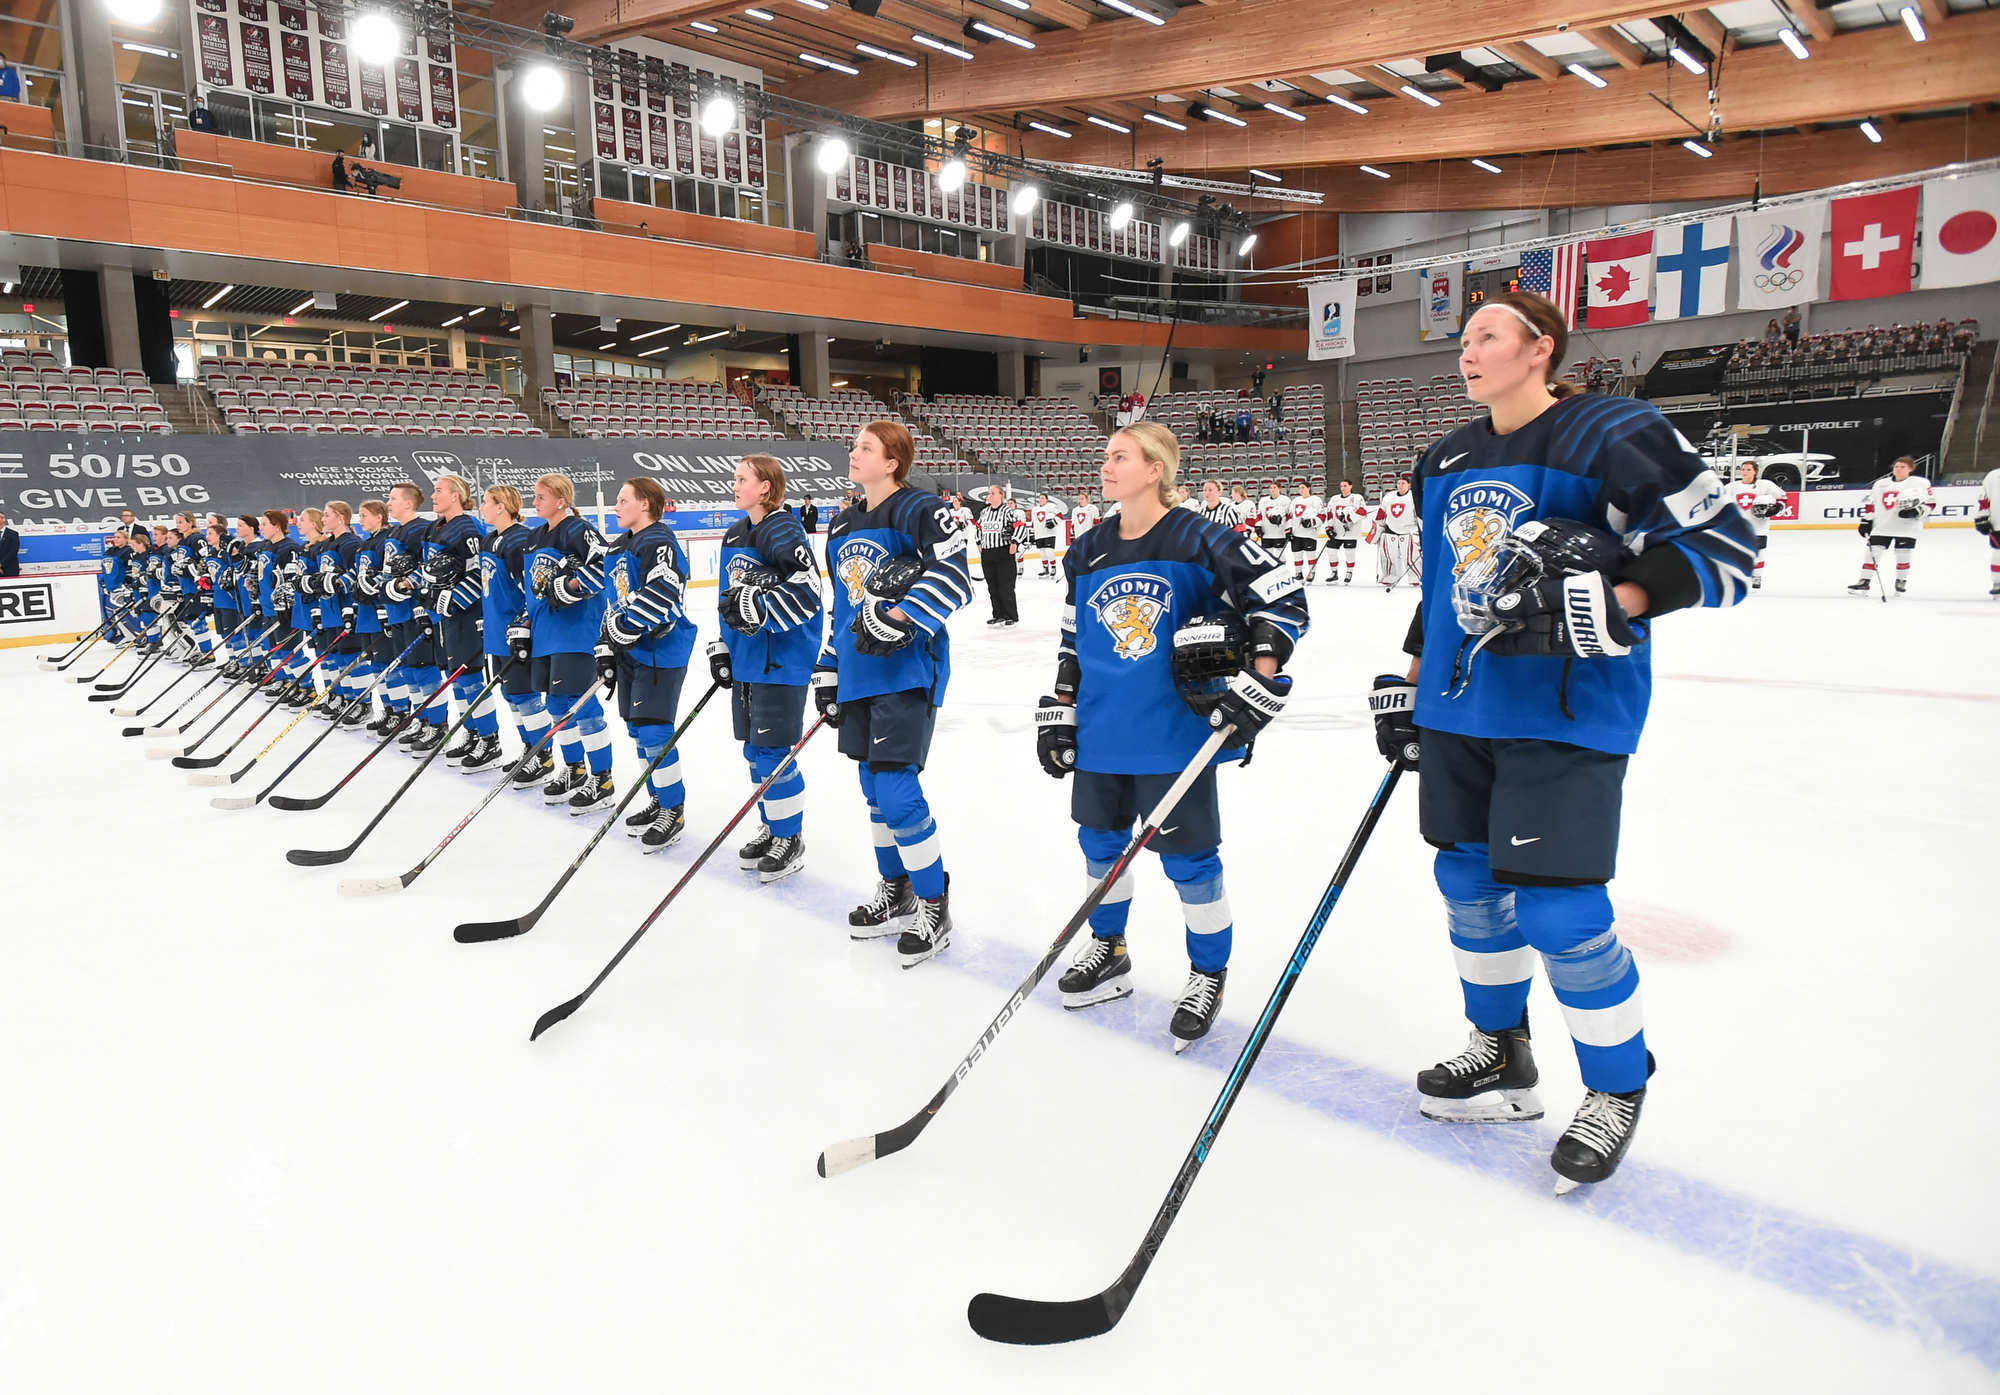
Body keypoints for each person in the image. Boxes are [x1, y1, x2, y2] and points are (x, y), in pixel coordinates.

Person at [1368, 289, 1755, 1193]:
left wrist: (1621, 600)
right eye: (1462, 339)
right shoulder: (1446, 456)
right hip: (1462, 711)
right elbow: (1444, 585)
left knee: (1559, 911)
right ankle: (1502, 1052)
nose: (1467, 352)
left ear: (1541, 348)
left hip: (1567, 712)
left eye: (1487, 336)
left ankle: (1619, 1084)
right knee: (1466, 882)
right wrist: (1411, 685)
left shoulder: (1613, 432)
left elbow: (1730, 547)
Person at [1039, 421, 1308, 1050]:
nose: (1105, 467)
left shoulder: (1203, 537)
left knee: (1190, 863)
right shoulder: (1089, 547)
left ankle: (1207, 974)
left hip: (1175, 732)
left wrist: (1259, 675)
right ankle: (1109, 950)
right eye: (1105, 456)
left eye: (1119, 457)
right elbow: (1073, 636)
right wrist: (1063, 704)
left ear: (1155, 468)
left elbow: (1283, 598)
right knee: (1099, 846)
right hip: (1104, 729)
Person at [815, 420, 972, 966]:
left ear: (893, 461)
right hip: (858, 673)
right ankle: (897, 890)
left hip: (906, 670)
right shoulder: (840, 524)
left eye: (865, 447)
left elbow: (955, 576)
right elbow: (841, 602)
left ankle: (934, 903)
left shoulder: (922, 509)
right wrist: (829, 669)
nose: (853, 453)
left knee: (897, 791)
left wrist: (900, 613)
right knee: (874, 792)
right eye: (853, 445)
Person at [712, 456, 823, 878]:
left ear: (765, 487)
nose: (734, 484)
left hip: (780, 659)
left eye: (742, 478)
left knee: (773, 752)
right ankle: (772, 823)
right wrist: (723, 644)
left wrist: (760, 604)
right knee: (753, 751)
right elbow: (728, 597)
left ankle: (789, 836)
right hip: (747, 659)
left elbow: (808, 590)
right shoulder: (734, 533)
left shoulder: (782, 527)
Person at [598, 475, 698, 842]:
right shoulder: (616, 548)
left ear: (645, 504)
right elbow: (611, 603)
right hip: (630, 650)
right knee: (638, 729)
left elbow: (664, 590)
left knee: (655, 729)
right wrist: (607, 646)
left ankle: (673, 808)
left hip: (661, 649)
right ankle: (658, 798)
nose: (616, 506)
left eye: (624, 500)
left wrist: (631, 625)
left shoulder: (658, 541)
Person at [522, 473, 613, 808]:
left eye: (541, 496)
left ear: (561, 499)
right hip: (545, 634)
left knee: (582, 705)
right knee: (557, 706)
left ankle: (602, 778)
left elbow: (606, 566)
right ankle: (575, 769)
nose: (535, 501)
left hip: (575, 633)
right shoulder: (533, 538)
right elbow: (533, 587)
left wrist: (572, 586)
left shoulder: (579, 529)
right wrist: (525, 620)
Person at [416, 475, 501, 766]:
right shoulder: (433, 528)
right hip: (445, 617)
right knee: (456, 678)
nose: (432, 495)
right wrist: (422, 598)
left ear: (456, 495)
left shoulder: (468, 528)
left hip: (467, 616)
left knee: (471, 677)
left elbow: (480, 573)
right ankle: (472, 730)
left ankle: (490, 740)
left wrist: (451, 601)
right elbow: (427, 570)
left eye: (438, 491)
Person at [482, 485, 551, 759]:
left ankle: (542, 755)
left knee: (525, 696)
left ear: (501, 506)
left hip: (517, 633)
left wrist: (524, 624)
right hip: (497, 632)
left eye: (487, 502)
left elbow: (532, 591)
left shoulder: (520, 540)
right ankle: (529, 750)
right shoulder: (489, 540)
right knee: (511, 695)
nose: (483, 507)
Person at [378, 482, 438, 748]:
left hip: (414, 611)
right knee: (408, 671)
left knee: (424, 669)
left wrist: (410, 592)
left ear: (409, 503)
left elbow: (427, 569)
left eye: (393, 498)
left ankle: (437, 725)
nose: (389, 503)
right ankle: (421, 719)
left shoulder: (420, 529)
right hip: (396, 612)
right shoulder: (395, 531)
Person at [1848, 455, 1933, 596]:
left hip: (1907, 527)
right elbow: (1871, 503)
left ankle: (1901, 581)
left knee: (1903, 554)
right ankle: (1864, 581)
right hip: (1882, 525)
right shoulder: (1881, 484)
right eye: (1896, 466)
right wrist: (1866, 520)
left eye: (1903, 467)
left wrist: (1918, 511)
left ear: (1910, 469)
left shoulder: (1920, 483)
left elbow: (1931, 502)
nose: (1898, 469)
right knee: (1872, 553)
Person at [1726, 463, 1786, 590]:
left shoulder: (1766, 485)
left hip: (1759, 526)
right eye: (1743, 469)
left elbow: (1782, 498)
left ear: (1755, 471)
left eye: (1748, 469)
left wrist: (1777, 508)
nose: (1744, 472)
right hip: (1739, 526)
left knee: (1758, 553)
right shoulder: (1732, 487)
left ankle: (1757, 577)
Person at [974, 484, 1018, 627]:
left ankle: (1010, 615)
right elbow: (978, 528)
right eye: (989, 493)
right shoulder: (985, 512)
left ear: (1001, 495)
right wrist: (978, 542)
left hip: (1003, 552)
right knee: (992, 586)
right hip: (987, 553)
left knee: (1006, 586)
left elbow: (1019, 526)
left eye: (993, 493)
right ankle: (998, 614)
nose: (989, 495)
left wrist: (1015, 542)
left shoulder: (1007, 511)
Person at [1372, 473, 1421, 590]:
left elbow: (1419, 514)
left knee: (1411, 557)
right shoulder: (1389, 497)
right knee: (1388, 556)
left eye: (1403, 483)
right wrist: (1377, 531)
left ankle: (1416, 577)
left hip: (1408, 532)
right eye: (1398, 483)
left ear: (1409, 485)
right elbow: (1381, 513)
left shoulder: (1414, 497)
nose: (1400, 485)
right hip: (1390, 531)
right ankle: (1389, 576)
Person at [1324, 479, 1366, 585]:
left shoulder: (1357, 498)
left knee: (1349, 553)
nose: (1343, 488)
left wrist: (1350, 518)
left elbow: (1363, 512)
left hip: (1351, 532)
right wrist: (1329, 527)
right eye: (1341, 486)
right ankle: (1334, 572)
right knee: (1331, 551)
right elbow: (1329, 513)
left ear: (1351, 486)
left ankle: (1349, 572)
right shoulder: (1334, 499)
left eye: (1345, 486)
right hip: (1337, 532)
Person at [1287, 480, 1324, 584]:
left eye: (1303, 487)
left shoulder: (1316, 500)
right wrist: (1288, 530)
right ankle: (1298, 573)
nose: (1301, 490)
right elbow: (1290, 516)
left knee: (1310, 555)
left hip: (1310, 534)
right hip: (1296, 533)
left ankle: (1312, 572)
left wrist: (1312, 522)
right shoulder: (1295, 501)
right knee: (1297, 555)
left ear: (1309, 488)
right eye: (1300, 488)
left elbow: (1322, 515)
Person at [1977, 466, 2000, 597]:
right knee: (1998, 554)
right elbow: (1984, 499)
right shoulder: (1993, 476)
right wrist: (1981, 517)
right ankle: (1998, 584)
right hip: (1998, 522)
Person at [1030, 492, 1063, 577]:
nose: (1041, 500)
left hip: (1049, 533)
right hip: (1039, 534)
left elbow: (1060, 516)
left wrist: (1054, 522)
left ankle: (1053, 567)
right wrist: (1033, 533)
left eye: (1043, 498)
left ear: (1046, 499)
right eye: (1040, 498)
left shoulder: (1051, 506)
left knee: (1049, 551)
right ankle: (1045, 568)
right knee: (1042, 553)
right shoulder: (1035, 509)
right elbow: (1034, 522)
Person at [0, 509, 18, 577]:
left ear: (5, 519)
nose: (0, 519)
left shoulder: (13, 534)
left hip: (10, 569)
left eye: (2, 517)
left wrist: (1, 564)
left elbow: (13, 552)